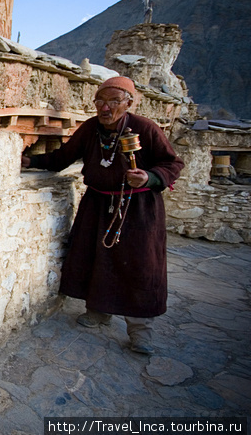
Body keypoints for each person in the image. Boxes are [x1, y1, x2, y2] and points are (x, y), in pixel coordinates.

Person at [21, 76, 184, 354]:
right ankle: (98, 311)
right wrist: (29, 161)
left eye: (114, 102)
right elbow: (63, 157)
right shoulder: (91, 129)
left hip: (138, 208)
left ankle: (140, 330)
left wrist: (148, 177)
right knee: (98, 259)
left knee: (140, 265)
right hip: (98, 204)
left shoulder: (145, 128)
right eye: (100, 101)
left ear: (128, 103)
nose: (105, 108)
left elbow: (172, 163)